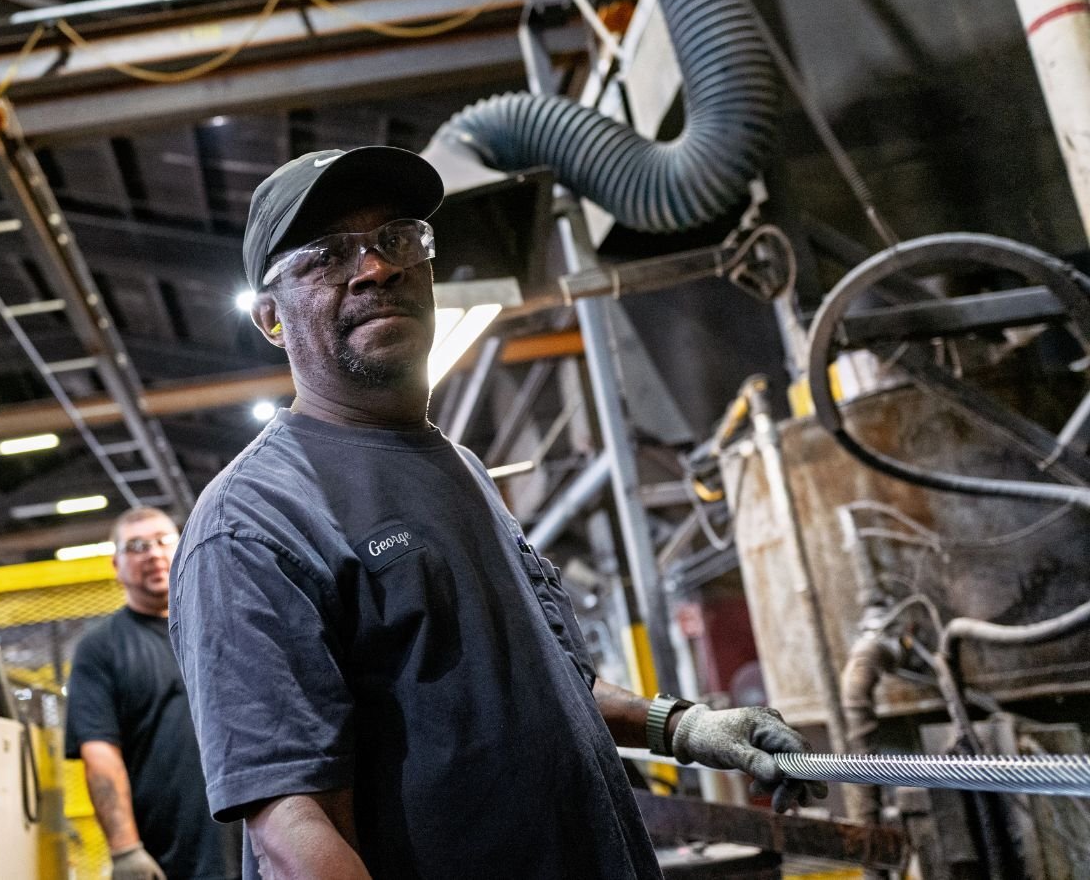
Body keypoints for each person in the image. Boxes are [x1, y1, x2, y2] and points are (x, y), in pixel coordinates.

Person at [168, 147, 827, 879]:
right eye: (326, 256)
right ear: (269, 317)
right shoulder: (253, 520)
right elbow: (293, 829)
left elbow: (539, 682)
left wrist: (681, 725)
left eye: (396, 239)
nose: (376, 268)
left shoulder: (460, 468)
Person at [66, 506, 243, 880]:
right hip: (167, 857)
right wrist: (126, 850)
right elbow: (99, 752)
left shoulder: (223, 626)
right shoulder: (101, 648)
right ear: (116, 566)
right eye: (137, 546)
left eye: (163, 541)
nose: (154, 553)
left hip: (251, 841)